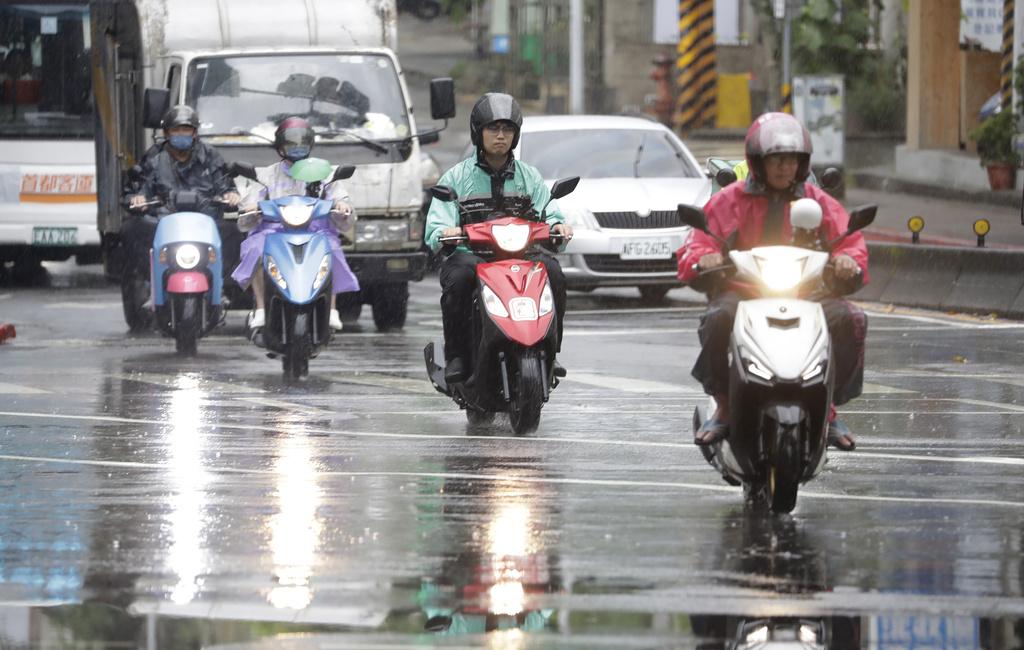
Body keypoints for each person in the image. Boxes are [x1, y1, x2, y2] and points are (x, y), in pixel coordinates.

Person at [677, 112, 867, 452]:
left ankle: (828, 410)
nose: (784, 168)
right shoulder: (730, 199)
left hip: (807, 292)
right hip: (745, 292)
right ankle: (724, 405)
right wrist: (703, 257)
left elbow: (848, 241)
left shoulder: (817, 201)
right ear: (758, 161)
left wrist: (847, 260)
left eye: (791, 160)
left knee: (850, 319)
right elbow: (700, 240)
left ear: (802, 162)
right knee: (717, 318)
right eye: (776, 159)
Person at [424, 92, 574, 384]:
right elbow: (437, 224)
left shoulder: (529, 177)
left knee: (553, 273)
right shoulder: (456, 178)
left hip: (523, 255)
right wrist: (445, 232)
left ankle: (550, 350)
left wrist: (558, 227)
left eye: (508, 129)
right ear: (478, 132)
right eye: (493, 128)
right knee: (458, 279)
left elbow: (550, 212)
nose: (501, 136)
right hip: (472, 256)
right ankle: (457, 355)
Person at [231, 116, 358, 331]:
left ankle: (331, 308)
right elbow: (248, 207)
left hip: (316, 230)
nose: (297, 148)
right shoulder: (266, 175)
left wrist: (341, 205)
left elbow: (341, 200)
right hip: (273, 231)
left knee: (333, 250)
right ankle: (261, 308)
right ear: (280, 147)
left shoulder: (324, 173)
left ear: (310, 145)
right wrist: (251, 207)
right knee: (256, 249)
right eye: (291, 144)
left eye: (302, 144)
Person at [122, 104, 241, 282]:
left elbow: (225, 186)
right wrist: (138, 199)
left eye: (186, 130)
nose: (181, 134)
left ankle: (222, 283)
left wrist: (230, 196)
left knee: (236, 231)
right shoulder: (154, 156)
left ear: (194, 133)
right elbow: (138, 189)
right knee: (131, 228)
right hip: (163, 225)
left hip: (205, 225)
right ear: (166, 133)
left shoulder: (210, 155)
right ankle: (152, 280)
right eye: (176, 130)